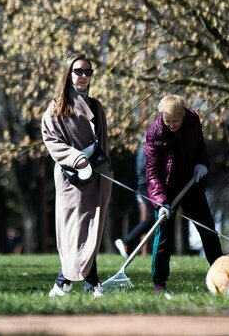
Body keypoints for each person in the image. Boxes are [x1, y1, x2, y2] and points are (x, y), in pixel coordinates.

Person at [41, 53, 113, 298]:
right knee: (75, 231)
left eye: (87, 72)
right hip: (71, 179)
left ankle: (67, 283)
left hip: (97, 178)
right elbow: (51, 140)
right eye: (78, 71)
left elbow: (103, 142)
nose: (83, 76)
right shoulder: (57, 105)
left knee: (91, 231)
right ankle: (82, 283)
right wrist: (76, 159)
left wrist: (105, 169)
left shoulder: (96, 106)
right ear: (68, 73)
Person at [146, 94, 222, 295]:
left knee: (208, 230)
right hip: (165, 188)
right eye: (167, 120)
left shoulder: (193, 120)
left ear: (183, 115)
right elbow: (152, 173)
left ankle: (222, 274)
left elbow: (200, 147)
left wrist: (202, 164)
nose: (171, 125)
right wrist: (161, 202)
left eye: (175, 121)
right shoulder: (154, 133)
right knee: (163, 235)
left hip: (191, 183)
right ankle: (159, 283)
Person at [114, 136, 156, 257]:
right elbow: (143, 171)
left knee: (153, 218)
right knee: (150, 218)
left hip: (149, 186)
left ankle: (129, 243)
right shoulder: (145, 149)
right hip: (146, 186)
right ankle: (127, 242)